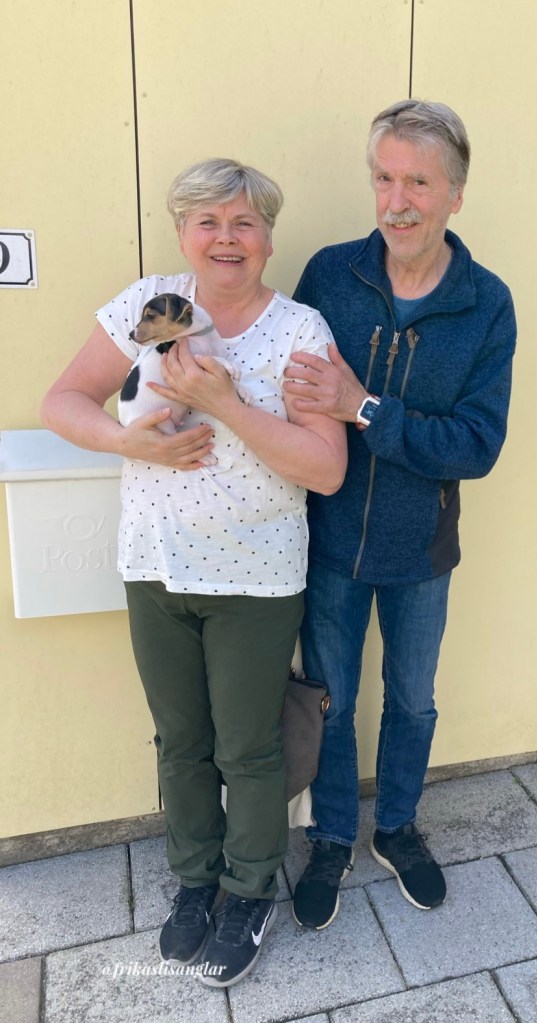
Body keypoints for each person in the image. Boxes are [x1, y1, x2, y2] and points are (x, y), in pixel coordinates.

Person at [41, 158, 347, 985]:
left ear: (269, 238)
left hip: (255, 576)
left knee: (249, 747)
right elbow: (64, 400)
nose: (226, 238)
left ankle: (249, 890)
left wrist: (223, 405)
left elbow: (325, 468)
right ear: (182, 232)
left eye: (245, 222)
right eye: (208, 221)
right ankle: (195, 880)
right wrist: (126, 441)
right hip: (156, 564)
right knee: (180, 740)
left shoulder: (299, 330)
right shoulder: (154, 305)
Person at [282, 99, 517, 930]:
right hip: (330, 541)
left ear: (456, 192)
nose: (398, 201)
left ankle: (397, 825)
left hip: (422, 547)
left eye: (419, 181)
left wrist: (365, 409)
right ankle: (333, 835)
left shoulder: (486, 303)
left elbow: (477, 445)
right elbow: (286, 389)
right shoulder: (330, 276)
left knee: (412, 698)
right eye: (384, 178)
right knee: (332, 699)